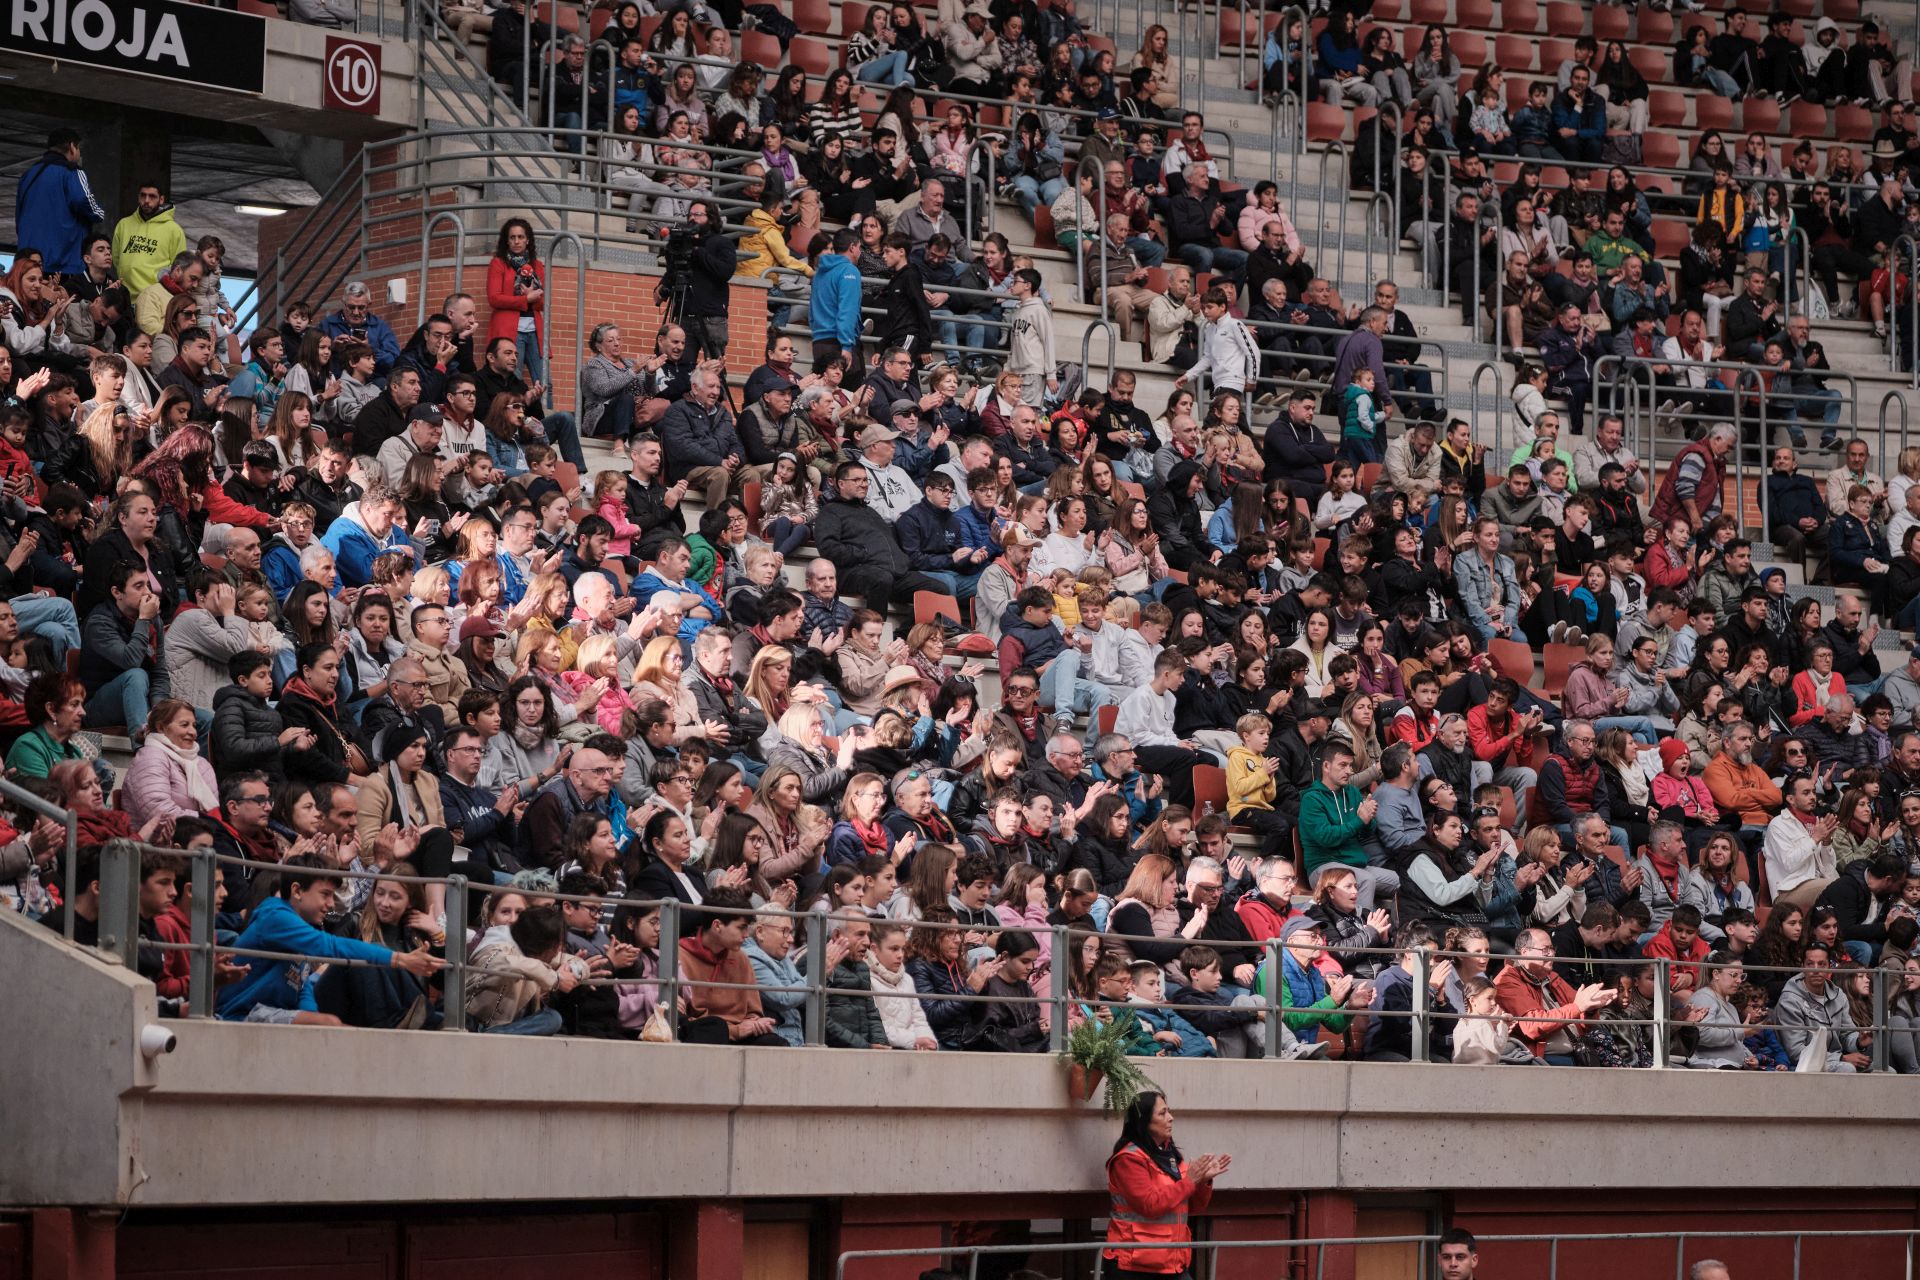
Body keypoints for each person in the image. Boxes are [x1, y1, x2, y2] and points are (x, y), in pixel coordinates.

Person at [1103, 1092, 1230, 1279]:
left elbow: (1191, 1207)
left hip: (1172, 1263)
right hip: (1134, 1265)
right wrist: (1189, 1181)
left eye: (1169, 1112)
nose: (1171, 1118)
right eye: (1162, 1113)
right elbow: (1150, 1205)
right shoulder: (1128, 1159)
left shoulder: (1170, 1156)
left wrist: (1202, 1182)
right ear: (1144, 1120)